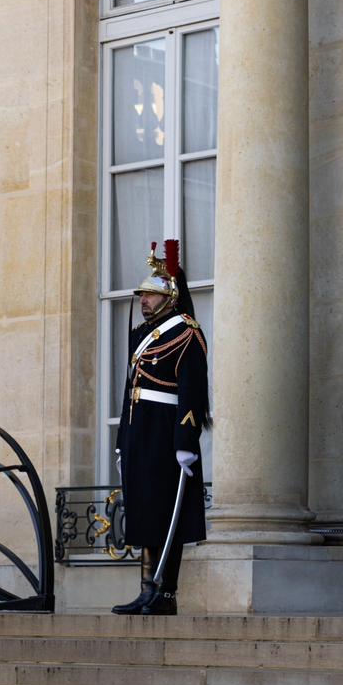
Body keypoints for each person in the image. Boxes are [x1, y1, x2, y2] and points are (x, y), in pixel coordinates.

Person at [111, 241, 209, 616]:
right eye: (142, 295)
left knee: (167, 513)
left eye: (150, 295)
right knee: (144, 511)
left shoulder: (186, 333)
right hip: (139, 432)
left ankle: (165, 593)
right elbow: (129, 390)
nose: (143, 301)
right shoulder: (142, 336)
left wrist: (186, 440)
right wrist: (123, 441)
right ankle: (145, 588)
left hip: (166, 433)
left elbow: (192, 392)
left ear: (169, 297)